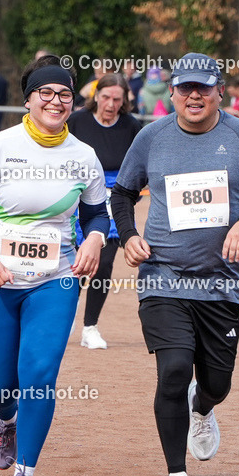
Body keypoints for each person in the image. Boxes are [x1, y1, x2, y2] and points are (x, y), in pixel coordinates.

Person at [111, 52, 239, 476]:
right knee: (172, 372)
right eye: (185, 87)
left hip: (221, 285)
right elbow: (123, 192)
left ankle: (203, 408)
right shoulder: (151, 137)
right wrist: (128, 235)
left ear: (218, 91)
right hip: (163, 277)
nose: (194, 95)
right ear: (171, 92)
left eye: (203, 88)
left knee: (217, 382)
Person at [0, 56, 109, 476]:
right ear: (29, 100)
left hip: (54, 280)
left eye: (64, 94)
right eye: (46, 93)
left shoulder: (83, 156)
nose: (56, 101)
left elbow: (96, 211)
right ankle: (6, 419)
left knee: (39, 375)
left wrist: (96, 238)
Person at [66, 73, 141, 350]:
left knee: (103, 263)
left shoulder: (132, 127)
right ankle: (62, 319)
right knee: (72, 265)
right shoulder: (76, 121)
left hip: (114, 201)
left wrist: (134, 191)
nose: (110, 104)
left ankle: (90, 327)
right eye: (106, 97)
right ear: (96, 95)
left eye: (117, 100)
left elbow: (139, 166)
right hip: (75, 198)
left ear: (124, 102)